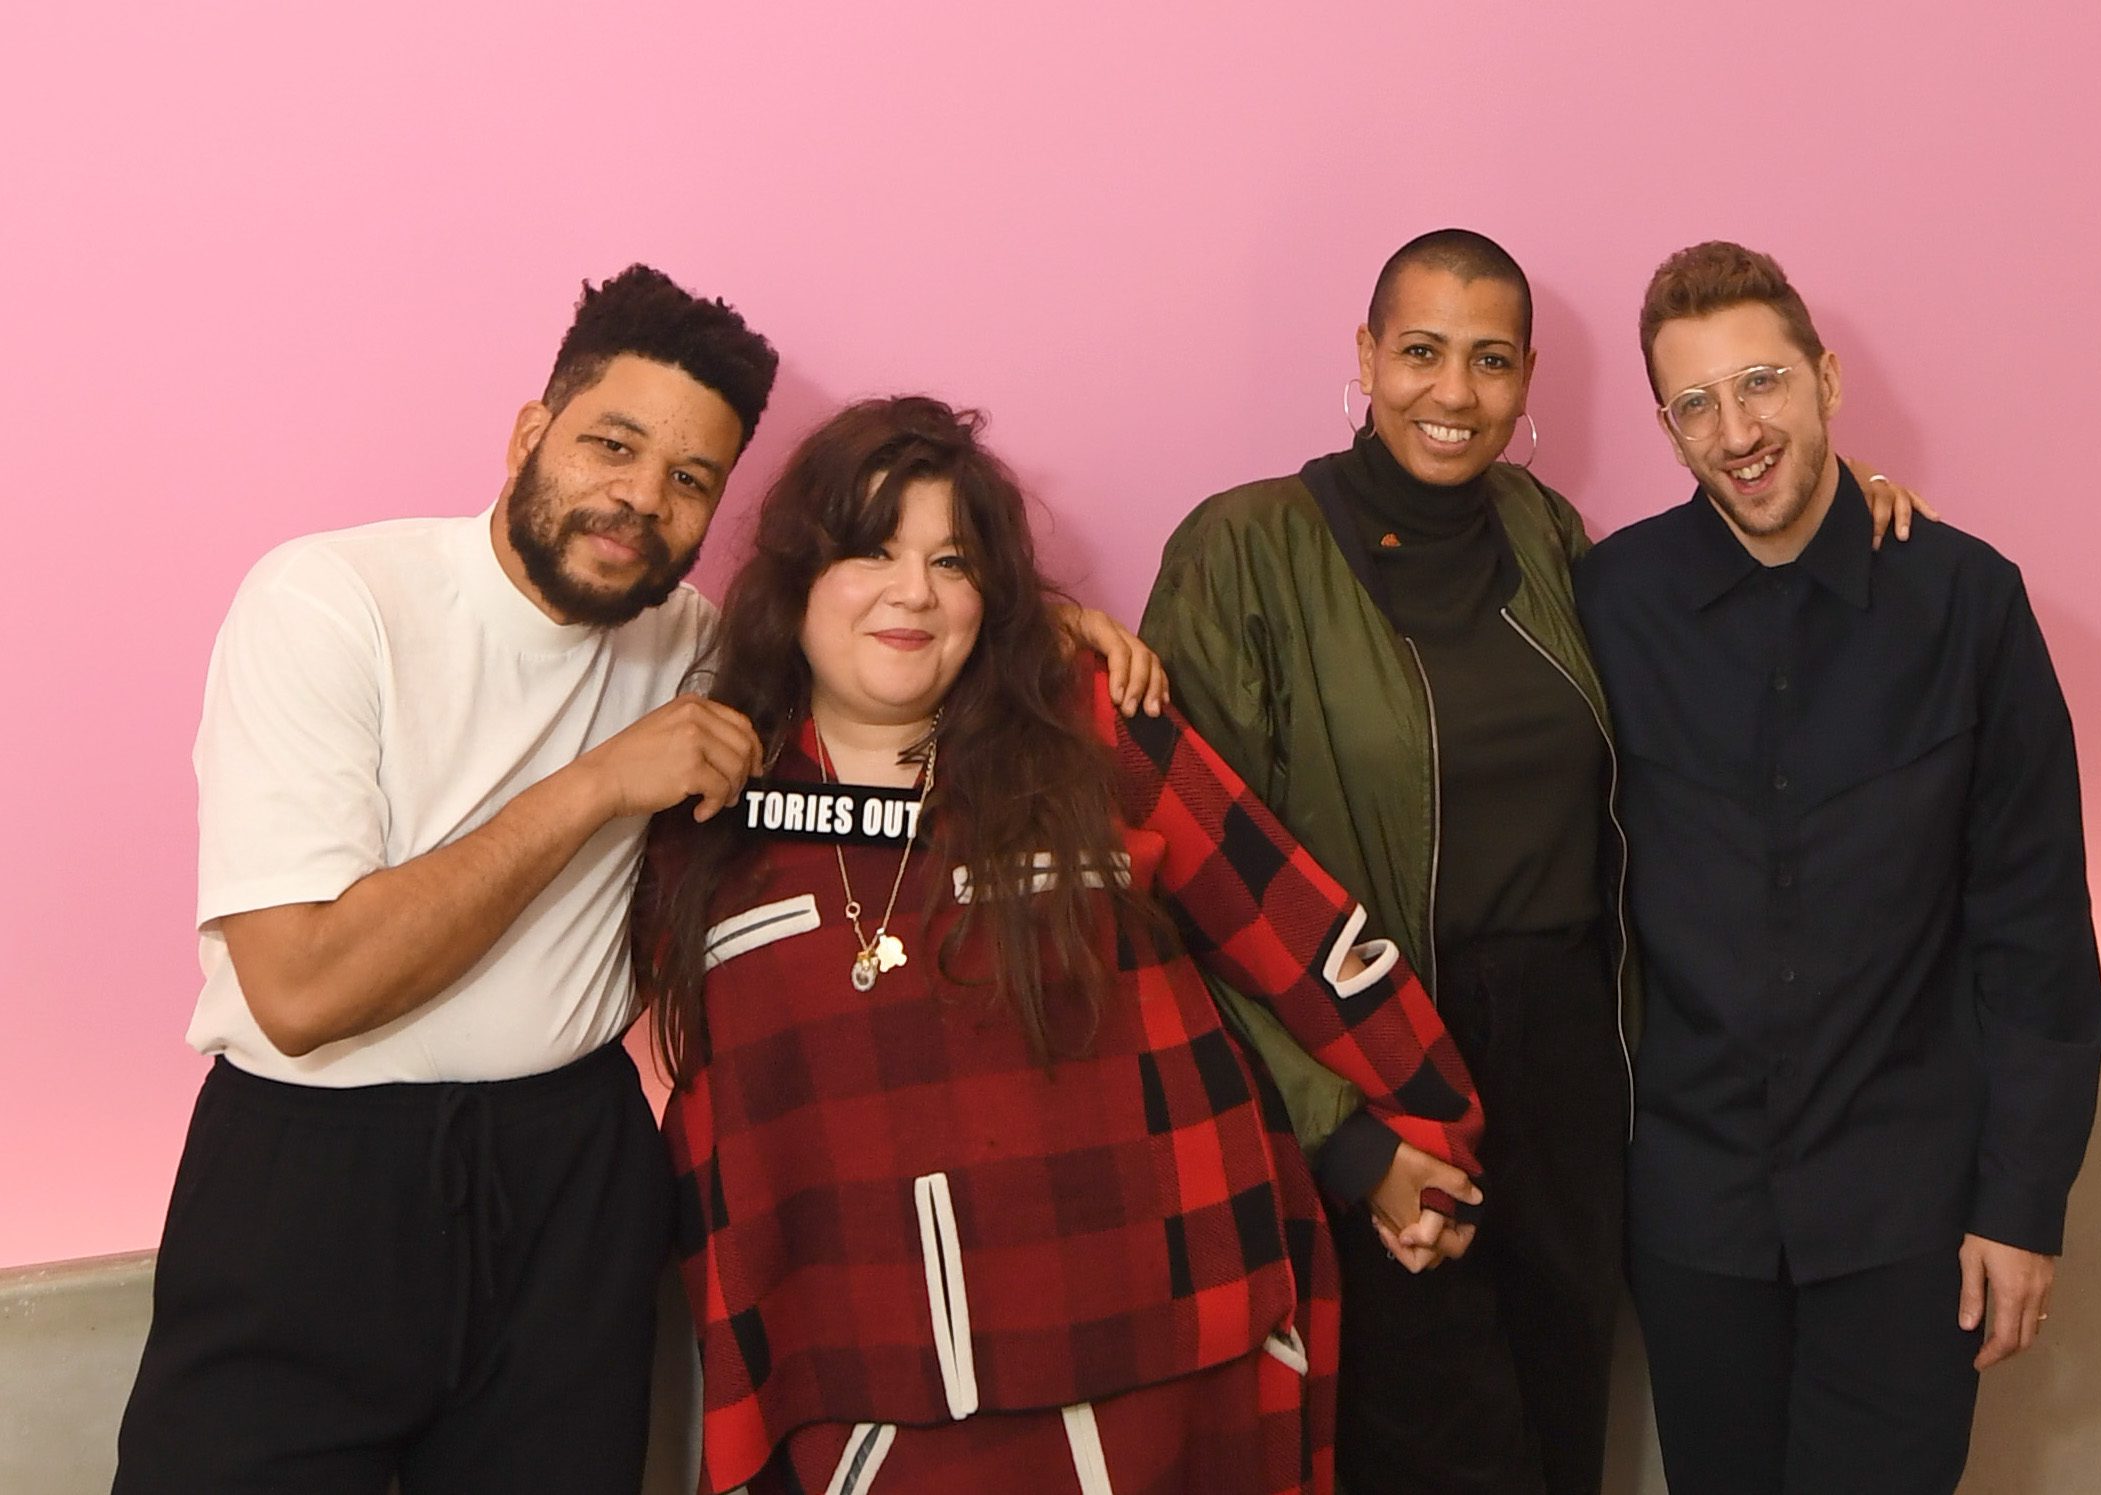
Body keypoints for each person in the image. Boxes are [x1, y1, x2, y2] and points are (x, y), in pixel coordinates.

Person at [114, 268, 1162, 1495]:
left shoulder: (698, 646)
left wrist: (1045, 637)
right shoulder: (333, 601)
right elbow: (296, 987)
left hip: (570, 1167)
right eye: (612, 444)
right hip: (312, 1172)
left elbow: (881, 655)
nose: (638, 499)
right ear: (529, 433)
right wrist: (600, 783)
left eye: (688, 480)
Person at [1140, 229, 1923, 1495]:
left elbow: (1719, 575)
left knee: (1563, 1436)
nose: (1453, 393)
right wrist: (1343, 1139)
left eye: (1489, 361)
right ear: (1364, 357)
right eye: (1421, 352)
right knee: (1429, 1448)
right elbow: (1185, 883)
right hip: (1383, 1073)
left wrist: (1853, 499)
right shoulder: (1243, 552)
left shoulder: (1548, 538)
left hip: (1572, 1079)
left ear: (1525, 381)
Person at [635, 395, 1488, 1495]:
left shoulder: (1085, 732)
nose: (912, 592)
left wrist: (1427, 1113)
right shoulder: (703, 817)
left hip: (1165, 1341)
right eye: (870, 551)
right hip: (874, 1388)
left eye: (951, 560)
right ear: (794, 575)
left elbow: (1285, 920)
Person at [1575, 240, 2101, 1495]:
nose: (1736, 429)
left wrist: (2021, 1204)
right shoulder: (1605, 599)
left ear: (1824, 379)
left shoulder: (1966, 603)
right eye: (1693, 403)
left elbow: (2033, 934)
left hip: (1908, 1216)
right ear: (1664, 426)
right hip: (1694, 1216)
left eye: (1760, 382)